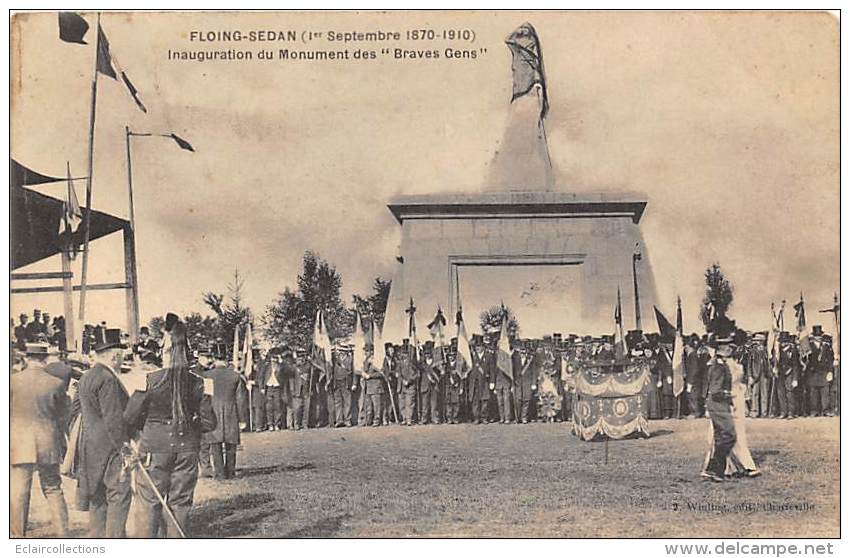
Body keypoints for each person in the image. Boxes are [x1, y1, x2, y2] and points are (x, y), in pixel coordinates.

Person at [123, 321, 216, 537]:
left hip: (154, 447)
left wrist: (148, 427)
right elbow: (209, 423)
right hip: (187, 448)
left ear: (164, 351)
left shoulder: (148, 380)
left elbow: (129, 417)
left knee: (148, 502)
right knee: (180, 502)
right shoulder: (200, 382)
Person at [76, 328, 132, 537]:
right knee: (119, 495)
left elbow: (75, 411)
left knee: (97, 497)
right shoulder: (108, 378)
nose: (122, 359)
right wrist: (124, 448)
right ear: (114, 355)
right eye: (122, 354)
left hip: (90, 445)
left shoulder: (86, 376)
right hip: (110, 448)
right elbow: (113, 419)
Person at [10, 342, 70, 537]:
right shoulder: (56, 383)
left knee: (19, 490)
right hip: (48, 442)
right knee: (53, 488)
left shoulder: (11, 381)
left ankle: (18, 536)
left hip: (19, 443)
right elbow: (63, 416)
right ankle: (63, 534)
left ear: (26, 359)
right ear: (44, 360)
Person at [196, 350, 244, 480]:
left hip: (212, 412)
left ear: (215, 361)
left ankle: (219, 473)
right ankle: (230, 472)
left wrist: (202, 414)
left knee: (215, 444)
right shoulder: (235, 376)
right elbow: (240, 398)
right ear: (226, 361)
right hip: (230, 411)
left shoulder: (207, 376)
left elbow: (205, 397)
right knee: (231, 444)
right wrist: (242, 418)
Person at [701, 336, 737, 483]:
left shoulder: (719, 364)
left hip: (717, 403)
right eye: (728, 347)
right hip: (718, 403)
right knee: (729, 435)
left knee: (720, 437)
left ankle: (713, 469)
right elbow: (715, 390)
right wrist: (729, 394)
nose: (730, 349)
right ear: (722, 349)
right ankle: (716, 469)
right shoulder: (718, 366)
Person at [467, 335, 492, 424]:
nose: (478, 348)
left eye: (480, 346)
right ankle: (476, 417)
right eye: (477, 346)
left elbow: (492, 369)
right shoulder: (471, 357)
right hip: (474, 382)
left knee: (485, 400)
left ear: (483, 347)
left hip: (485, 381)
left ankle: (484, 417)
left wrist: (492, 381)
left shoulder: (488, 356)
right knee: (475, 401)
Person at [330, 346, 356, 427]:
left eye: (343, 351)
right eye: (340, 351)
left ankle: (347, 420)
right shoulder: (335, 359)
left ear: (346, 352)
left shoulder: (350, 360)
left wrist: (354, 383)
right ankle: (339, 420)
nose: (341, 353)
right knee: (338, 402)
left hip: (346, 382)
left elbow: (354, 372)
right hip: (337, 383)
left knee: (347, 402)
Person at [362, 346, 386, 427]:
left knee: (377, 406)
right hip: (368, 387)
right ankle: (369, 420)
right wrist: (367, 364)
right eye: (365, 351)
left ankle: (377, 420)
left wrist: (370, 376)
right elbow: (364, 370)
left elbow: (381, 373)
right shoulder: (366, 361)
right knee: (369, 406)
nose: (366, 353)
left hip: (376, 386)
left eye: (367, 351)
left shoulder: (378, 361)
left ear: (372, 351)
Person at [397, 340, 419, 426]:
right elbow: (398, 373)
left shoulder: (412, 363)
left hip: (410, 386)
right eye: (402, 353)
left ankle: (409, 419)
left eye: (404, 353)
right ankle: (404, 418)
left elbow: (414, 374)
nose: (403, 355)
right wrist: (400, 379)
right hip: (401, 386)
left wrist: (408, 381)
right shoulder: (400, 363)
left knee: (409, 403)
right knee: (402, 403)